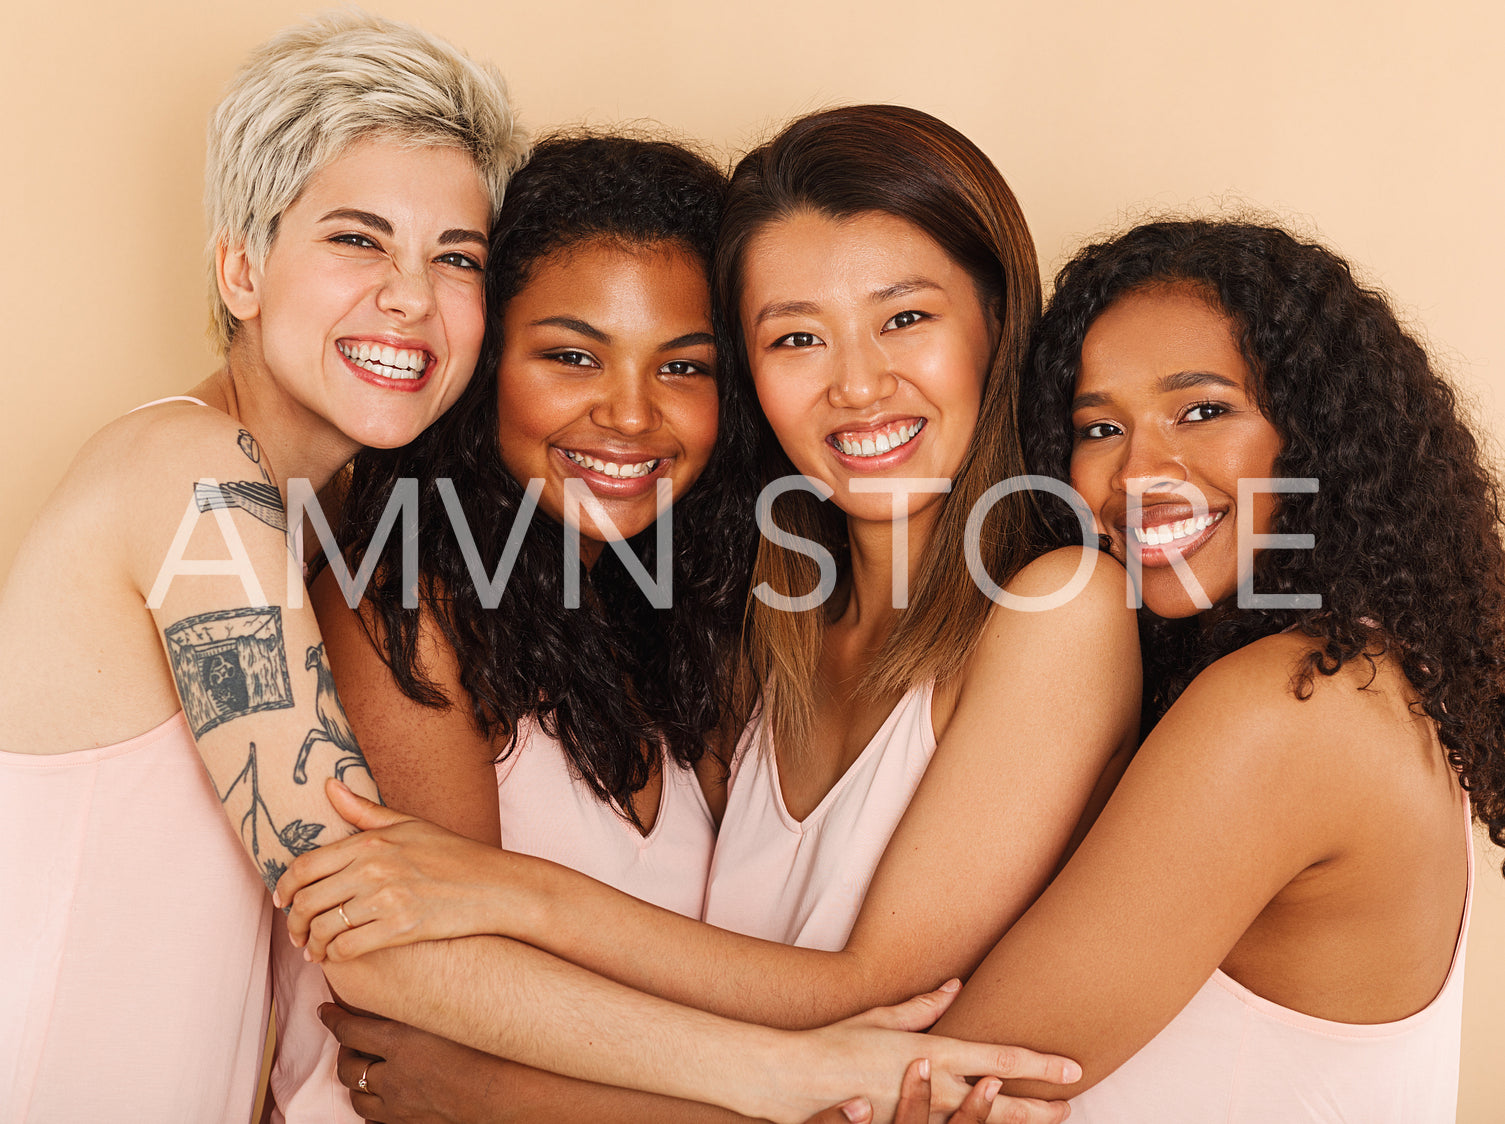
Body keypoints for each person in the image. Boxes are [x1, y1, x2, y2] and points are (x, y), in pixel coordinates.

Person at [279, 105, 1139, 1122]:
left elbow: (871, 998)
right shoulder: (752, 632)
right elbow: (416, 981)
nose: (857, 384)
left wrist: (502, 1058)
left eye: (904, 317)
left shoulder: (1048, 607)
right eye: (797, 337)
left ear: (996, 321)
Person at [0, 10, 522, 1120]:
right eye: (357, 239)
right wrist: (787, 1068)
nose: (411, 296)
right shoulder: (189, 471)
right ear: (241, 267)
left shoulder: (337, 524)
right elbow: (371, 938)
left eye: (456, 257)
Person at [915, 219, 1502, 1120]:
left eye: (1202, 410)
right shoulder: (1362, 676)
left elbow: (936, 1094)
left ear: (1319, 435)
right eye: (1099, 426)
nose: (1139, 472)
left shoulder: (1290, 709)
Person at [272, 131, 761, 1121]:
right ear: (488, 359)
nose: (629, 414)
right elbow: (432, 1011)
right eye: (572, 355)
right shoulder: (401, 609)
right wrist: (794, 1086)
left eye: (682, 367)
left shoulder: (669, 629)